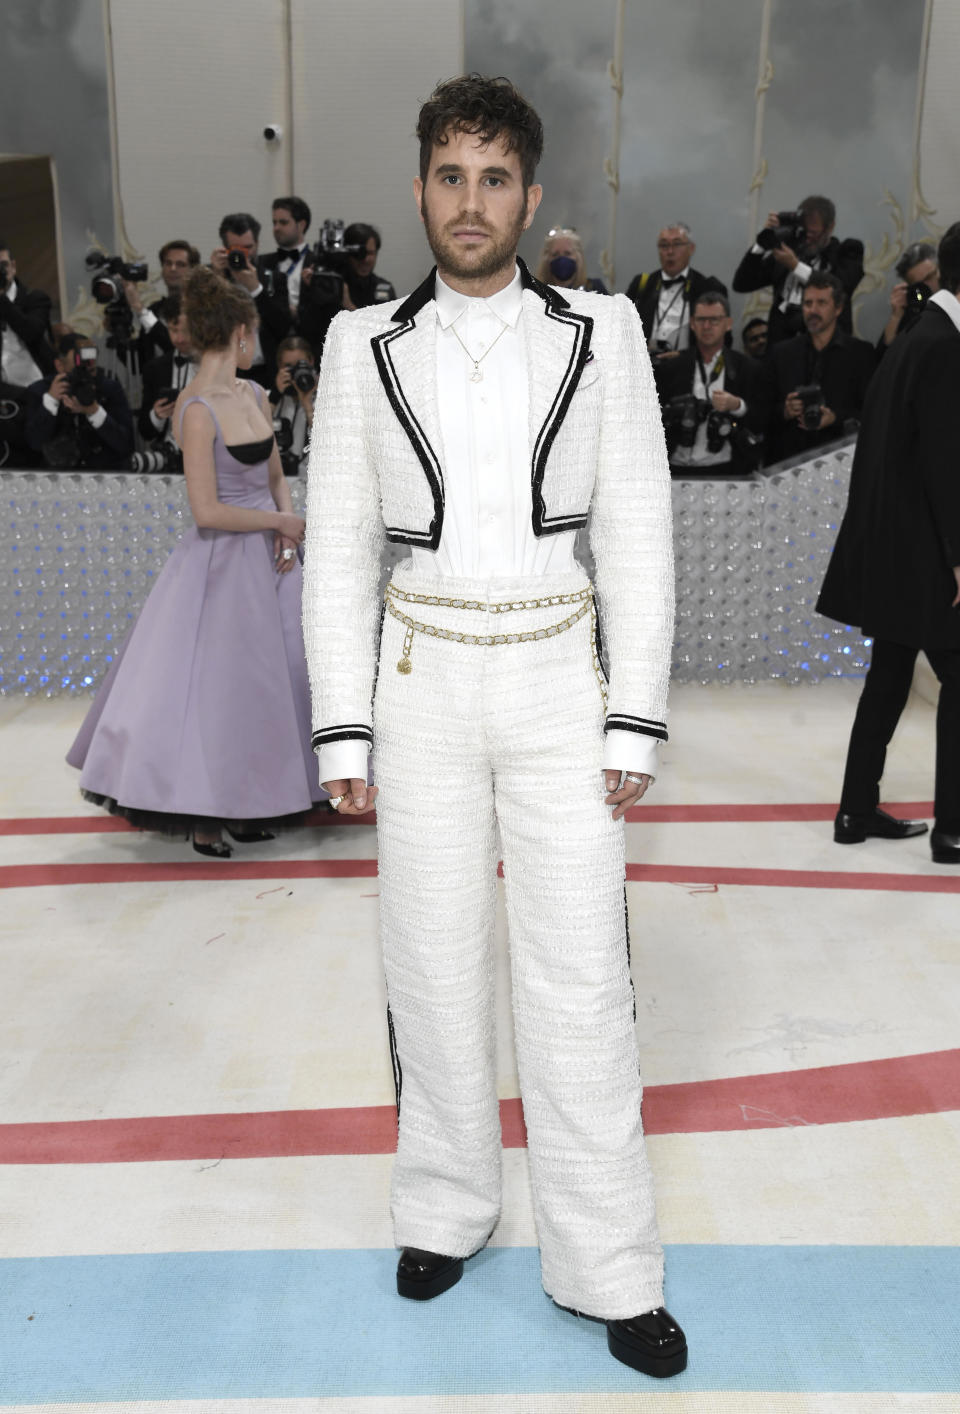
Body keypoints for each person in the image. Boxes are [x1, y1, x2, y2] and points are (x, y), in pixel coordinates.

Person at [303, 72, 686, 1378]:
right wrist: (341, 731)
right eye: (451, 175)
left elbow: (638, 523)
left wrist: (633, 716)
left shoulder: (605, 331)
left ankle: (609, 1263)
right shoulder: (362, 344)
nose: (472, 201)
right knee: (431, 959)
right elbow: (341, 551)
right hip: (417, 685)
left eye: (497, 178)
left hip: (556, 683)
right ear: (420, 188)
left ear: (532, 195)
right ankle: (443, 1208)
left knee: (583, 974)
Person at [67, 266, 323, 855]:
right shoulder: (196, 409)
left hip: (272, 562)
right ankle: (205, 812)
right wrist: (282, 524)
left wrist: (286, 530)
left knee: (275, 685)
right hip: (220, 566)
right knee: (217, 691)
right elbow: (207, 510)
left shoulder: (255, 393)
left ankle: (255, 798)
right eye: (252, 331)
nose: (256, 341)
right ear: (237, 331)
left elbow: (276, 473)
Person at [817, 222, 960, 866]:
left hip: (893, 551)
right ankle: (953, 828)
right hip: (926, 555)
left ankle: (854, 808)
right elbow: (945, 462)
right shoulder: (945, 346)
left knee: (890, 676)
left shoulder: (916, 337)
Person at [765, 271, 875, 463]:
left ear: (838, 308)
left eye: (821, 303)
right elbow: (761, 411)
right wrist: (785, 410)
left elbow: (872, 412)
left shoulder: (860, 354)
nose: (813, 310)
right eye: (808, 304)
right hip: (789, 460)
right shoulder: (781, 353)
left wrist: (835, 418)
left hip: (843, 458)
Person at [656, 291, 768, 475]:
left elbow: (764, 418)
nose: (707, 326)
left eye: (714, 320)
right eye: (701, 320)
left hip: (727, 467)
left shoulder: (748, 368)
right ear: (692, 324)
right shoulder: (673, 368)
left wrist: (738, 406)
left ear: (728, 324)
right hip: (676, 466)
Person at [732, 195, 864, 345]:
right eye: (803, 231)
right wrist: (762, 242)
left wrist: (796, 266)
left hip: (828, 348)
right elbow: (742, 283)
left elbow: (841, 285)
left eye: (813, 233)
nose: (807, 238)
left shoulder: (847, 252)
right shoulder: (786, 255)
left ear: (830, 227)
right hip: (781, 348)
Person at [24, 333, 134, 470]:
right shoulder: (39, 391)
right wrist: (51, 402)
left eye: (92, 362)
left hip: (104, 474)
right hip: (58, 477)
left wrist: (94, 411)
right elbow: (34, 443)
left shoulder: (109, 388)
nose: (87, 366)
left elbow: (126, 444)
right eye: (80, 363)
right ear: (59, 365)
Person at [210, 212, 292, 387]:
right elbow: (207, 324)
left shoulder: (274, 278)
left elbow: (283, 328)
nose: (243, 255)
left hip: (267, 371)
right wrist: (217, 278)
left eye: (248, 248)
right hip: (226, 371)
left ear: (257, 244)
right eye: (236, 250)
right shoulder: (212, 279)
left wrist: (256, 289)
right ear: (224, 249)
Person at [624, 222, 725, 360]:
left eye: (677, 244)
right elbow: (621, 328)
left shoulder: (707, 288)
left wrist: (683, 356)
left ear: (691, 248)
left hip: (687, 369)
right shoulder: (642, 284)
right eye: (664, 245)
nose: (670, 252)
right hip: (645, 367)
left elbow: (719, 341)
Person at [0, 239, 55, 466]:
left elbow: (31, 331)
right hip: (3, 395)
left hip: (34, 395)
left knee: (33, 464)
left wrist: (1, 299)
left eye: (2, 265)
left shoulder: (35, 298)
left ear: (13, 266)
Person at [122, 238, 201, 362]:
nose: (173, 269)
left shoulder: (201, 308)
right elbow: (139, 362)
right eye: (168, 263)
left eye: (180, 264)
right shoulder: (154, 310)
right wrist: (119, 331)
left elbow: (176, 348)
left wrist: (139, 309)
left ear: (193, 271)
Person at [138, 295, 198, 447]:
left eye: (185, 331)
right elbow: (144, 431)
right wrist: (157, 415)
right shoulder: (154, 368)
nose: (179, 339)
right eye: (173, 330)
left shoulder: (221, 364)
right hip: (168, 455)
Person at [878, 240, 939, 352]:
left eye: (930, 277)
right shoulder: (914, 310)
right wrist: (895, 317)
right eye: (920, 284)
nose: (927, 287)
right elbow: (885, 359)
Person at [269, 335, 316, 475]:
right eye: (288, 367)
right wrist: (275, 394)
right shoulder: (269, 399)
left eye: (300, 364)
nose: (296, 371)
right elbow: (255, 432)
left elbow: (329, 443)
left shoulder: (329, 397)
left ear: (311, 362)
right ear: (279, 367)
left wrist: (307, 404)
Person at [262, 196, 313, 319]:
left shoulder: (317, 263)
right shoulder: (262, 262)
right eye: (274, 223)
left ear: (301, 225)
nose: (276, 228)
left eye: (283, 222)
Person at [534, 226, 608, 293]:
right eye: (555, 254)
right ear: (547, 259)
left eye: (567, 253)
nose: (562, 259)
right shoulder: (537, 291)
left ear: (578, 257)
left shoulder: (594, 288)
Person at [341, 222, 397, 308]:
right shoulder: (334, 286)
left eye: (370, 253)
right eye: (360, 254)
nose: (366, 260)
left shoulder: (384, 288)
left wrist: (348, 305)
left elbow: (384, 321)